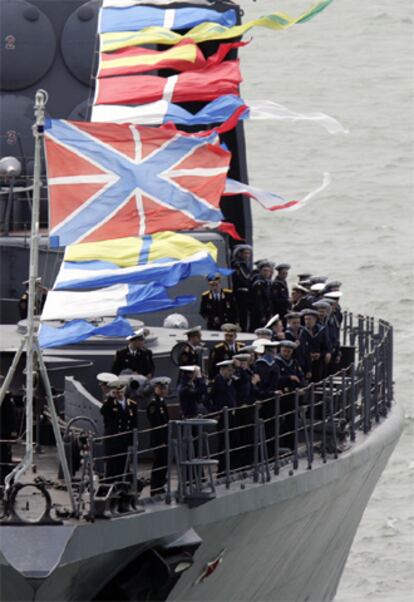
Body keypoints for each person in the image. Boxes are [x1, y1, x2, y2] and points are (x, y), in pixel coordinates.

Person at [100, 379, 138, 483]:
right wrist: (110, 398)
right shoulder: (110, 403)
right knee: (111, 466)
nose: (119, 393)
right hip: (113, 439)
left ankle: (123, 486)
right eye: (117, 391)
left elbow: (134, 424)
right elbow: (103, 412)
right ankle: (110, 485)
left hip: (124, 440)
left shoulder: (132, 404)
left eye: (121, 391)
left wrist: (134, 440)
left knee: (123, 464)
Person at [275, 340, 306, 449]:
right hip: (282, 397)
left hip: (293, 397)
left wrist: (302, 388)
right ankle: (281, 445)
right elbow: (275, 380)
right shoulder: (276, 363)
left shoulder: (294, 363)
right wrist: (288, 378)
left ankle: (291, 446)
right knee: (282, 423)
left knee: (292, 422)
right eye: (284, 351)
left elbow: (300, 376)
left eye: (288, 351)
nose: (286, 353)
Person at [232, 353, 259, 469]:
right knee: (242, 438)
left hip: (249, 407)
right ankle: (243, 463)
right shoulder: (238, 374)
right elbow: (240, 385)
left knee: (250, 436)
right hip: (241, 410)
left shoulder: (249, 372)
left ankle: (249, 461)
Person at [146, 376, 171, 496]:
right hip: (158, 439)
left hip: (165, 438)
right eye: (161, 388)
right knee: (159, 463)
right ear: (156, 388)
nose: (163, 390)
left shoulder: (161, 403)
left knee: (164, 463)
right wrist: (161, 440)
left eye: (165, 388)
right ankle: (155, 487)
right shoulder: (153, 404)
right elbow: (155, 424)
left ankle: (160, 485)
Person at [300, 309, 332, 382]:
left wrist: (320, 354)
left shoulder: (321, 331)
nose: (307, 322)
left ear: (315, 320)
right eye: (306, 319)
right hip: (305, 361)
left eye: (309, 319)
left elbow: (326, 346)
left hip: (318, 360)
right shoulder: (302, 332)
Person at [231, 244, 253, 331]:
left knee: (245, 316)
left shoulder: (245, 266)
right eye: (245, 253)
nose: (247, 256)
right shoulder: (236, 265)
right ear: (239, 254)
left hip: (246, 294)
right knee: (240, 315)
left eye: (248, 254)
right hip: (239, 293)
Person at [284, 312, 312, 379]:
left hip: (303, 363)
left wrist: (309, 369)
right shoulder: (286, 334)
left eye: (298, 323)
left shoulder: (303, 333)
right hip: (292, 365)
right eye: (294, 323)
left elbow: (307, 351)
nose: (297, 325)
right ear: (289, 322)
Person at [0, 377, 16, 485]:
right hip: (4, 432)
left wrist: (11, 434)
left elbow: (10, 417)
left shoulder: (5, 397)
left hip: (3, 433)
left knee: (4, 459)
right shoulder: (7, 396)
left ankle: (7, 483)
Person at [249, 261, 274, 331]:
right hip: (258, 313)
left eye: (268, 271)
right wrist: (261, 315)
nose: (266, 273)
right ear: (260, 271)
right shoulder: (258, 284)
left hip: (267, 311)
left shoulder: (267, 282)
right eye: (264, 271)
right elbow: (258, 301)